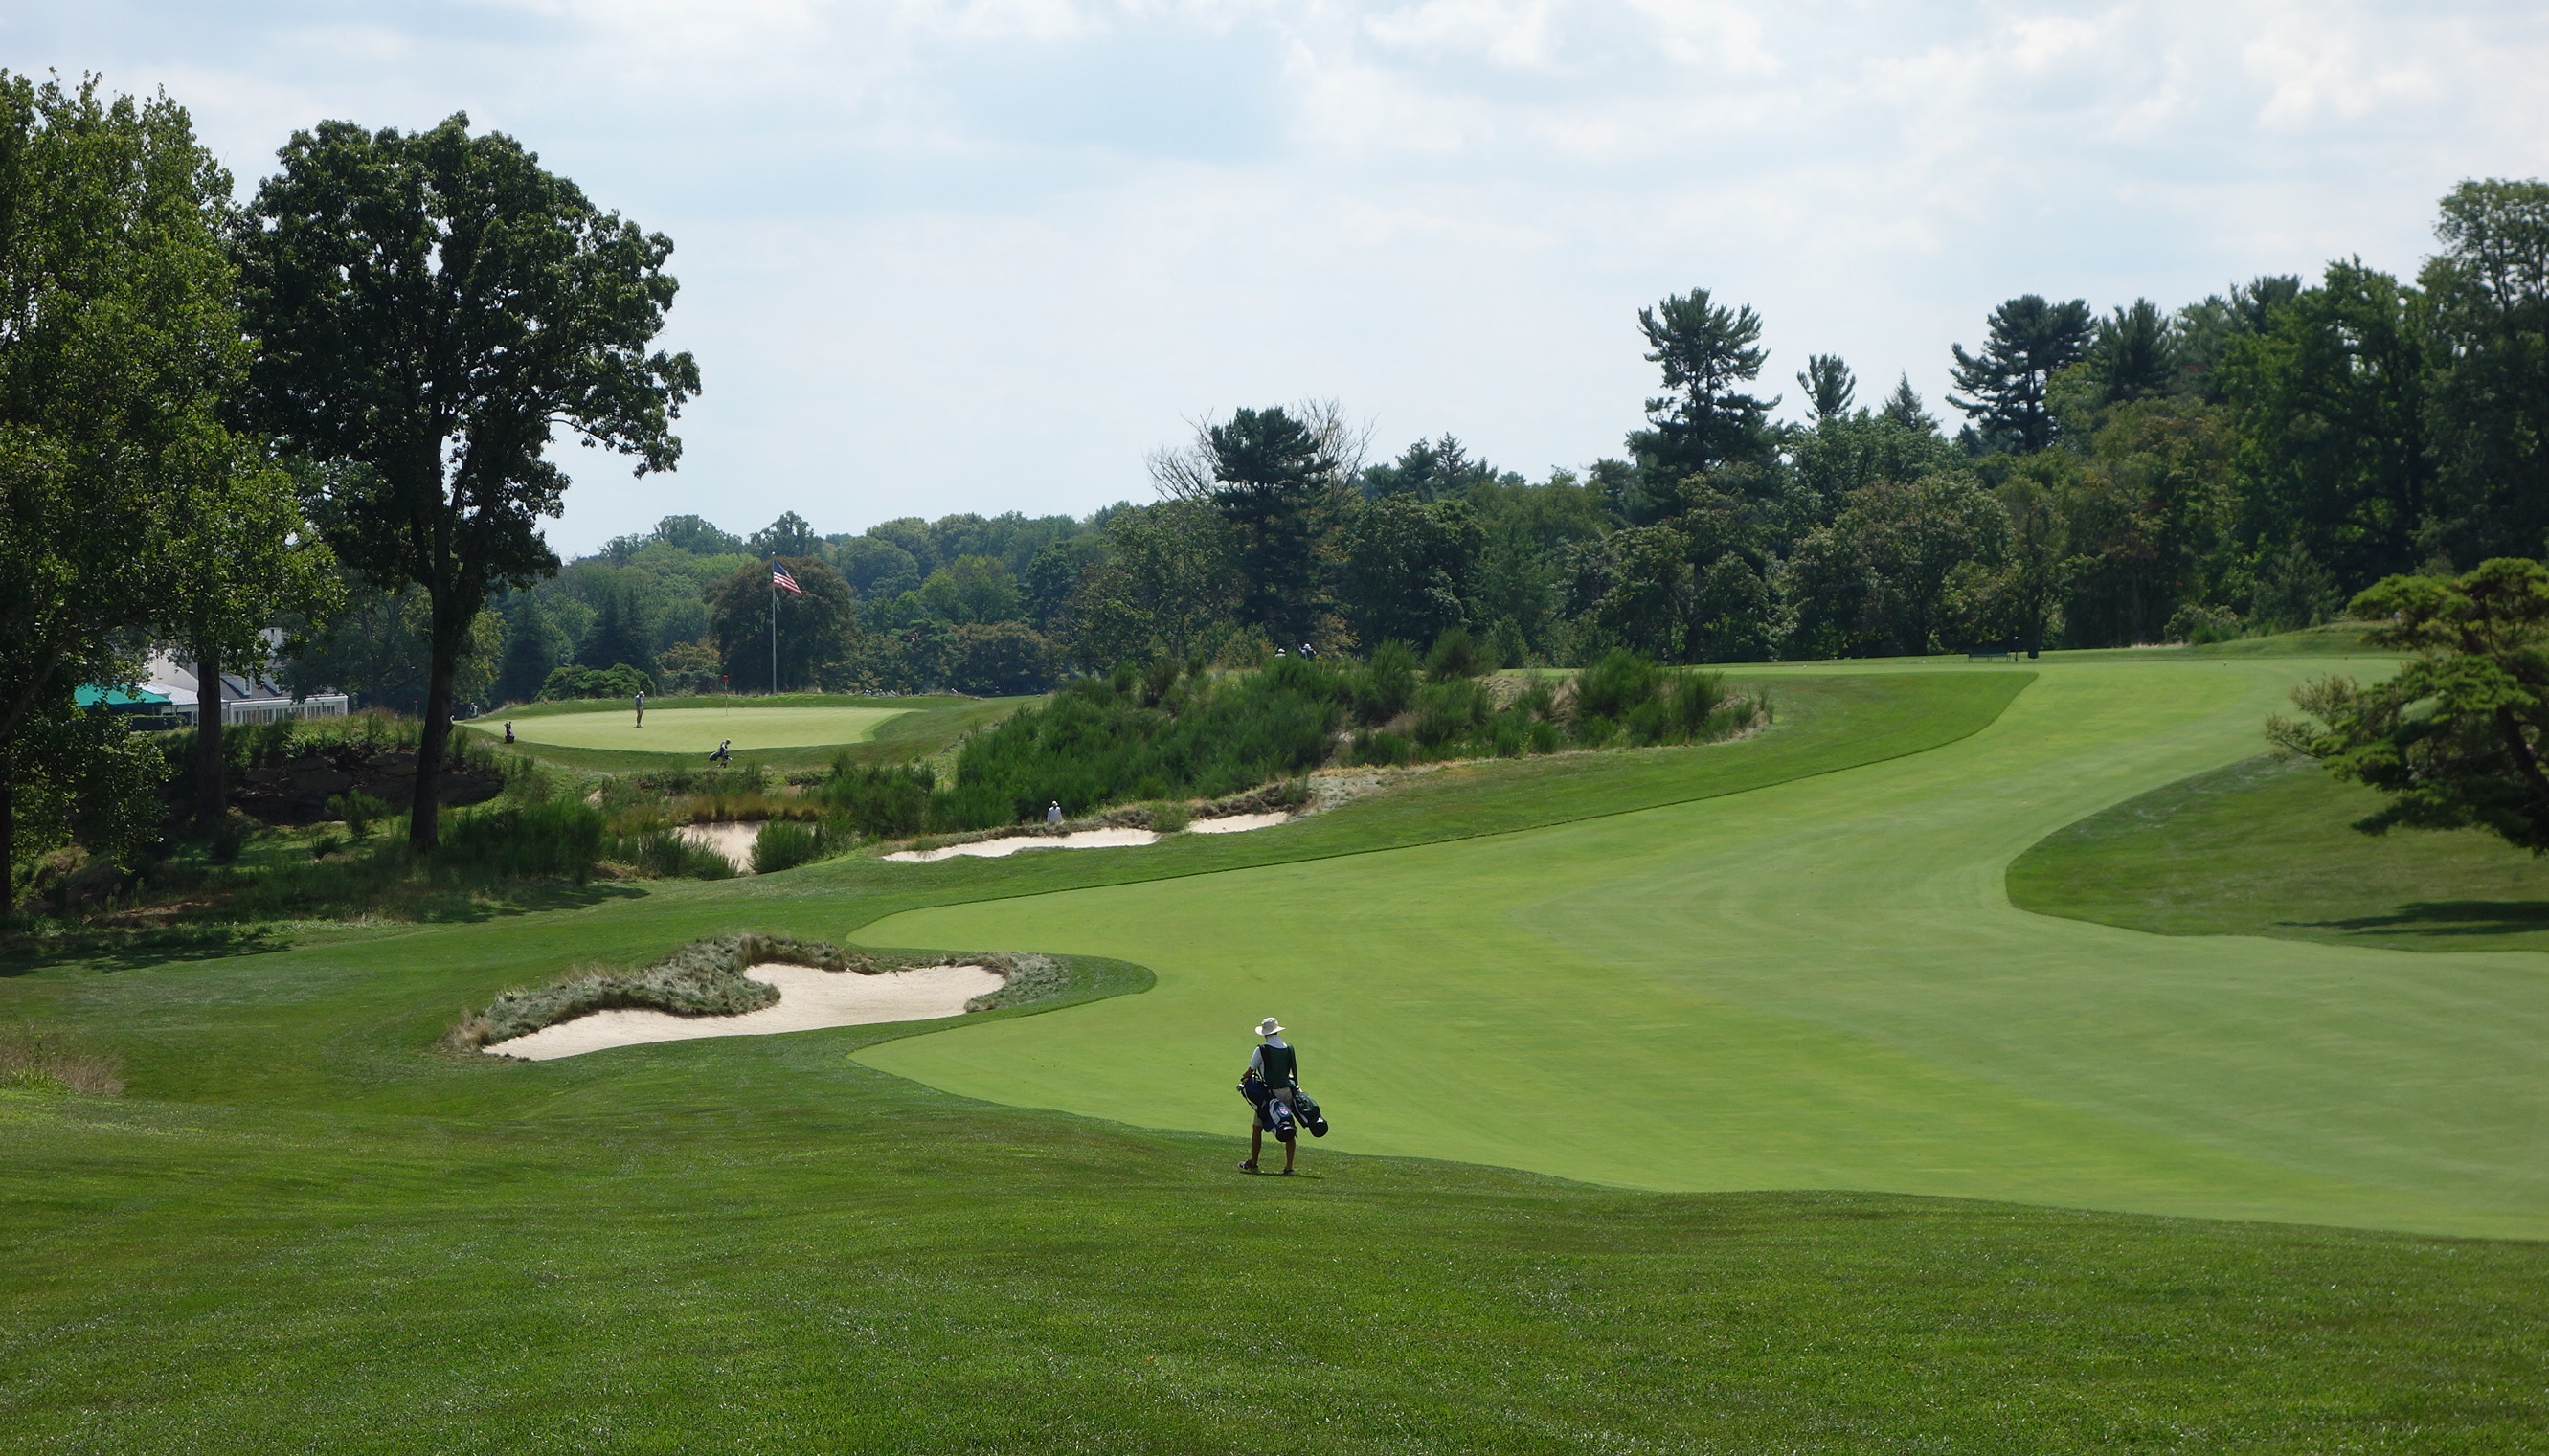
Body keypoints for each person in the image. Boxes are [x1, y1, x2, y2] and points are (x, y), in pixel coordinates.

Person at [1240, 1017, 1301, 1175]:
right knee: (1288, 1127)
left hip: (1268, 1095)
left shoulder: (1262, 1049)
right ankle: (1289, 1167)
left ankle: (1253, 1163)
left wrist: (1244, 1078)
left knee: (1257, 1128)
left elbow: (1250, 1071)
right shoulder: (1288, 1048)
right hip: (1286, 1092)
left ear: (1266, 1033)